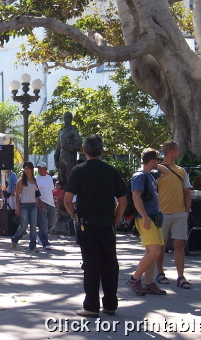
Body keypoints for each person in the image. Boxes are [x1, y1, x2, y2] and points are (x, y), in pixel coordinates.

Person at [64, 134, 127, 317]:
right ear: (102, 151)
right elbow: (123, 202)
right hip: (107, 224)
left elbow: (67, 200)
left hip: (87, 223)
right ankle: (110, 304)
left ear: (84, 151)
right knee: (110, 264)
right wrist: (115, 219)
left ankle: (91, 306)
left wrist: (75, 216)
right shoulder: (111, 171)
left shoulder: (78, 170)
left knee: (91, 265)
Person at [126, 148, 170, 296]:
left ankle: (149, 283)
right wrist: (144, 216)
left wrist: (155, 163)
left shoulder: (151, 174)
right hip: (145, 218)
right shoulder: (139, 176)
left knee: (153, 252)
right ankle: (134, 279)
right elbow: (136, 197)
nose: (159, 162)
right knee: (155, 251)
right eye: (157, 160)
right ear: (152, 161)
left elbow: (167, 172)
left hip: (154, 217)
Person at [154, 140, 192, 290]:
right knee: (160, 246)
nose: (179, 153)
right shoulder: (157, 170)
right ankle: (160, 273)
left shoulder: (181, 171)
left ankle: (181, 276)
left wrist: (186, 211)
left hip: (179, 214)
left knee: (179, 245)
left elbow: (187, 192)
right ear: (171, 151)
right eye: (177, 150)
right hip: (162, 214)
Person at [11, 161, 44, 251]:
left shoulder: (34, 180)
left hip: (33, 205)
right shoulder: (21, 181)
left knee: (33, 226)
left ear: (32, 169)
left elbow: (36, 194)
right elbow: (17, 195)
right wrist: (17, 207)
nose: (26, 170)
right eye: (25, 168)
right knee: (24, 225)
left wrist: (40, 203)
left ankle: (32, 245)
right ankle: (15, 239)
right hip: (24, 205)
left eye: (28, 168)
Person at [54, 112, 82, 185]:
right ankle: (65, 190)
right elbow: (58, 145)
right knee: (62, 176)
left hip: (70, 156)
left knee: (70, 176)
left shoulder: (73, 129)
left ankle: (70, 190)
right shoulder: (62, 131)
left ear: (71, 119)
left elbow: (78, 143)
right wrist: (56, 157)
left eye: (68, 118)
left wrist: (68, 147)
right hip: (61, 156)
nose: (66, 120)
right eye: (65, 118)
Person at [36, 161, 56, 250]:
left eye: (41, 168)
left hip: (51, 203)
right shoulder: (36, 179)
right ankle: (45, 243)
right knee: (44, 224)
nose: (39, 170)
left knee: (52, 222)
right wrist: (39, 202)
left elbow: (51, 190)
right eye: (38, 168)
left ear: (45, 169)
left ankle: (40, 234)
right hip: (42, 202)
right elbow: (35, 193)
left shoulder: (49, 178)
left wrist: (54, 201)